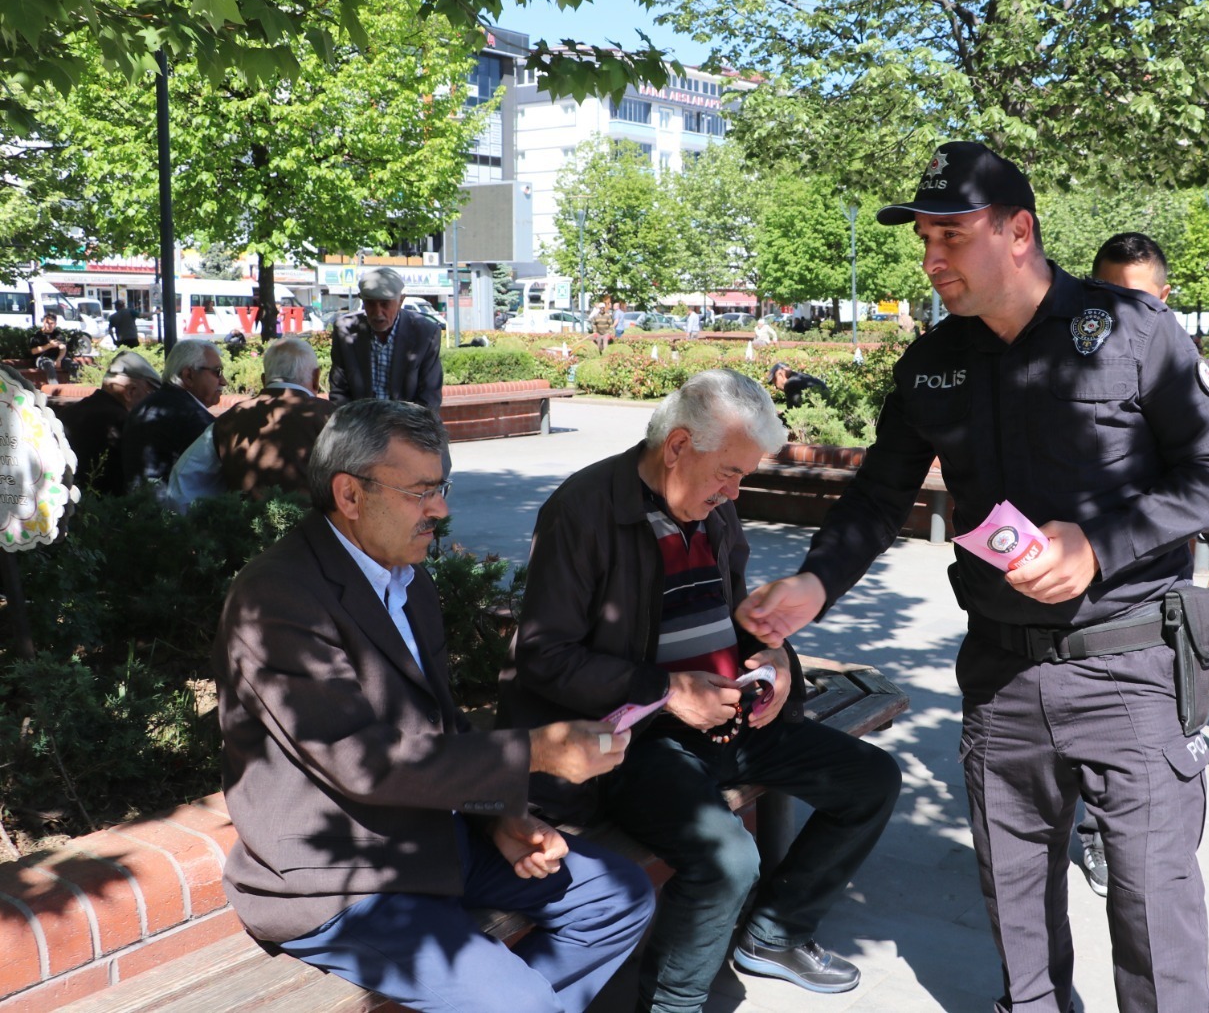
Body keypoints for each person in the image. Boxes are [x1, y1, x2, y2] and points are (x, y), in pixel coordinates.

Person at [736, 141, 1209, 1013]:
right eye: (923, 239)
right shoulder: (933, 362)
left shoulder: (1131, 331)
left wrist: (1095, 546)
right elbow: (877, 494)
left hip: (1129, 669)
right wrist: (815, 586)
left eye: (951, 237)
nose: (931, 261)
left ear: (1019, 232)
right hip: (1002, 674)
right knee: (1015, 916)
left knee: (1154, 915)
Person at [214, 399, 654, 1012]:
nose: (441, 510)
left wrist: (496, 817)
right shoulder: (277, 597)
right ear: (349, 494)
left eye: (440, 487)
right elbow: (362, 762)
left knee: (620, 897)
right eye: (421, 491)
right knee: (525, 1006)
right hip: (344, 878)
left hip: (431, 839)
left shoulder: (406, 575)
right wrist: (537, 753)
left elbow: (437, 725)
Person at [497, 369, 901, 1013]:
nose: (736, 491)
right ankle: (671, 1004)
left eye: (744, 476)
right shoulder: (584, 508)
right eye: (729, 472)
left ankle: (773, 936)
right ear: (679, 445)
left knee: (872, 780)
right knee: (728, 860)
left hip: (726, 716)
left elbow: (736, 613)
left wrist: (776, 659)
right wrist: (667, 691)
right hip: (638, 740)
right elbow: (544, 658)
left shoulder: (712, 509)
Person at [1079, 230, 1209, 895]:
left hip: (1154, 585)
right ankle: (1095, 834)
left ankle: (1137, 844)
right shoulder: (1063, 366)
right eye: (1111, 297)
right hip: (1076, 585)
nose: (1126, 313)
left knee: (1150, 738)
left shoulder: (1180, 367)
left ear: (1166, 298)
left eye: (1141, 300)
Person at [166, 337, 337, 510]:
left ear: (264, 380)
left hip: (246, 531)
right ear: (316, 377)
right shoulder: (333, 417)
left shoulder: (227, 420)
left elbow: (183, 482)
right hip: (315, 532)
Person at [329, 268, 443, 412]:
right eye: (370, 303)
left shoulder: (425, 333)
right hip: (359, 426)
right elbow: (339, 392)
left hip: (408, 426)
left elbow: (429, 398)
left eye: (385, 304)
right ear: (362, 300)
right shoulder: (345, 330)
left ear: (401, 300)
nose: (378, 312)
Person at [121, 337, 226, 489]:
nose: (223, 381)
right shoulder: (193, 418)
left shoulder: (144, 406)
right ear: (188, 375)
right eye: (217, 372)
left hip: (136, 506)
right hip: (172, 509)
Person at [56, 351, 162, 496]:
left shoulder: (66, 414)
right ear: (130, 391)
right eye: (151, 394)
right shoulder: (126, 423)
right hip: (107, 511)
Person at [27, 313, 77, 384]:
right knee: (49, 366)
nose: (49, 325)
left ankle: (73, 386)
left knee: (73, 365)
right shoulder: (37, 335)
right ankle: (55, 388)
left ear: (55, 324)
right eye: (47, 323)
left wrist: (59, 359)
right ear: (43, 322)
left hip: (57, 357)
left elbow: (63, 348)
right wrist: (49, 345)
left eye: (51, 323)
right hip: (42, 358)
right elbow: (33, 351)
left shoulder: (58, 334)